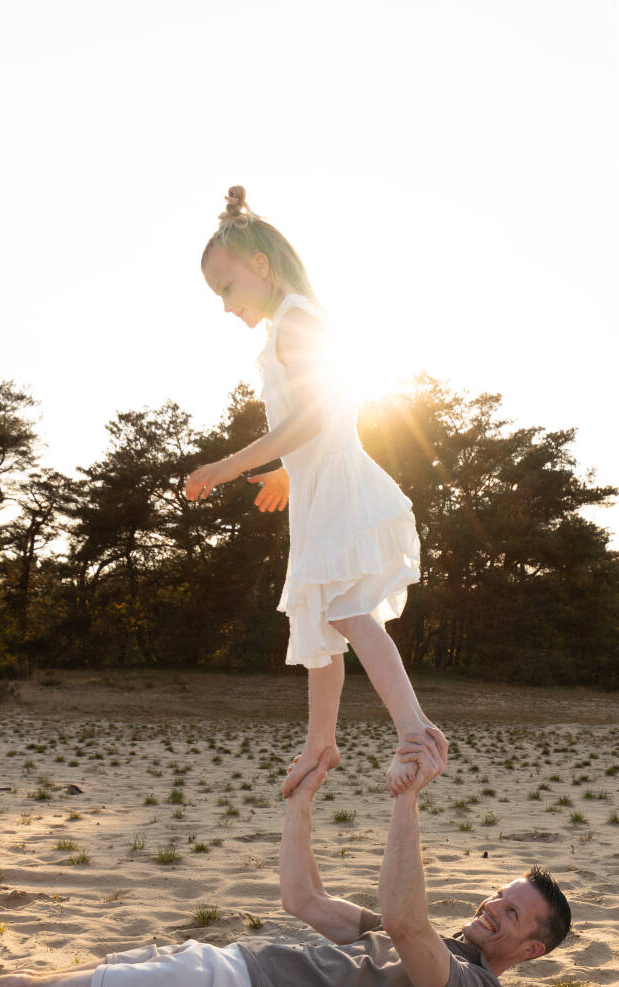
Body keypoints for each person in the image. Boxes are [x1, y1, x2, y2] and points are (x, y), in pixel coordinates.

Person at [0, 741, 571, 987]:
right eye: (499, 895)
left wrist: (407, 798)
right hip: (222, 979)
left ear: (531, 950)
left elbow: (406, 920)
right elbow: (303, 898)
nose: (492, 907)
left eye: (512, 914)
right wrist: (301, 801)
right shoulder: (439, 948)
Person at [184, 185, 448, 796]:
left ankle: (415, 730)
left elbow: (314, 414)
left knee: (347, 609)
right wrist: (287, 471)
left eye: (227, 288)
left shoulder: (297, 320)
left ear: (260, 265)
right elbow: (321, 416)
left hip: (337, 484)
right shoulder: (290, 322)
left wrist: (229, 465)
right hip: (317, 484)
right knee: (320, 617)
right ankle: (320, 742)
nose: (225, 305)